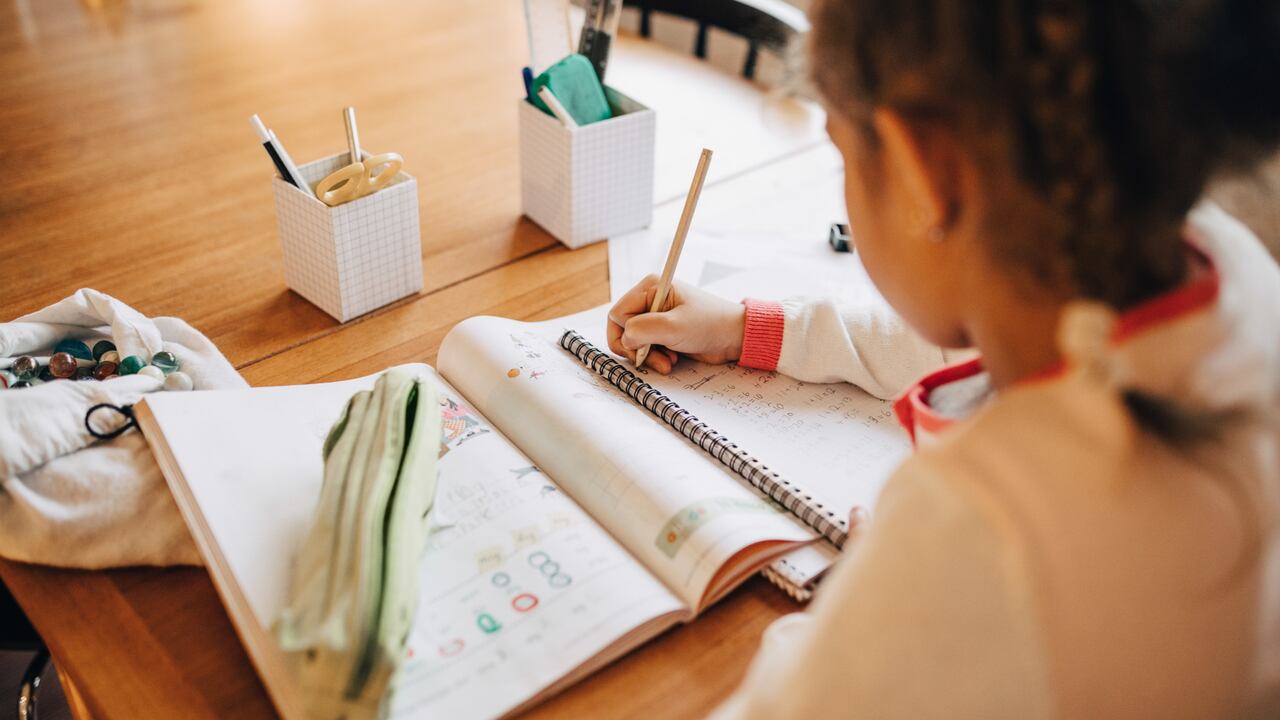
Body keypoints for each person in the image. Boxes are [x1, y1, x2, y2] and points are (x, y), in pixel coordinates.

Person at [606, 0, 1280, 716]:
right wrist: (750, 328)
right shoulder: (1231, 269)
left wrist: (868, 588)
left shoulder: (973, 528)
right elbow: (981, 338)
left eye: (840, 150)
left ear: (920, 171)